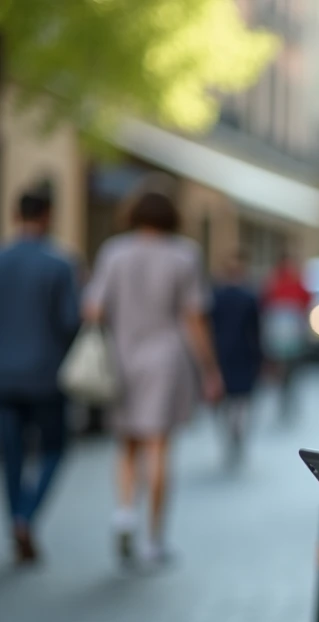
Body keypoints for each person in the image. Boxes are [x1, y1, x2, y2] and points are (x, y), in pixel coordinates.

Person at [84, 191, 223, 566]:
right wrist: (210, 370)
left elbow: (93, 307)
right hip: (165, 360)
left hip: (121, 357)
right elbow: (194, 317)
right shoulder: (184, 254)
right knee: (158, 446)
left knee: (127, 444)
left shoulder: (114, 252)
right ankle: (154, 539)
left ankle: (124, 513)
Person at [0, 184, 80, 564]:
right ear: (47, 215)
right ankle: (26, 516)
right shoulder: (60, 264)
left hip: (4, 377)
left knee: (12, 454)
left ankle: (17, 516)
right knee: (53, 450)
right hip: (47, 375)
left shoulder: (2, 260)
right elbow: (70, 322)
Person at [210, 250, 262, 468]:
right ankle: (237, 432)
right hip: (244, 354)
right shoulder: (249, 296)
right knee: (241, 400)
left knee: (224, 401)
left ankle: (231, 433)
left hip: (222, 354)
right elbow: (257, 331)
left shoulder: (215, 296)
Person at [260, 252, 311, 422]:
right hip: (279, 334)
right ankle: (284, 399)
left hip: (292, 333)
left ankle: (288, 399)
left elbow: (306, 302)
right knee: (282, 369)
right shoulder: (274, 282)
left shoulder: (295, 282)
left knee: (291, 369)